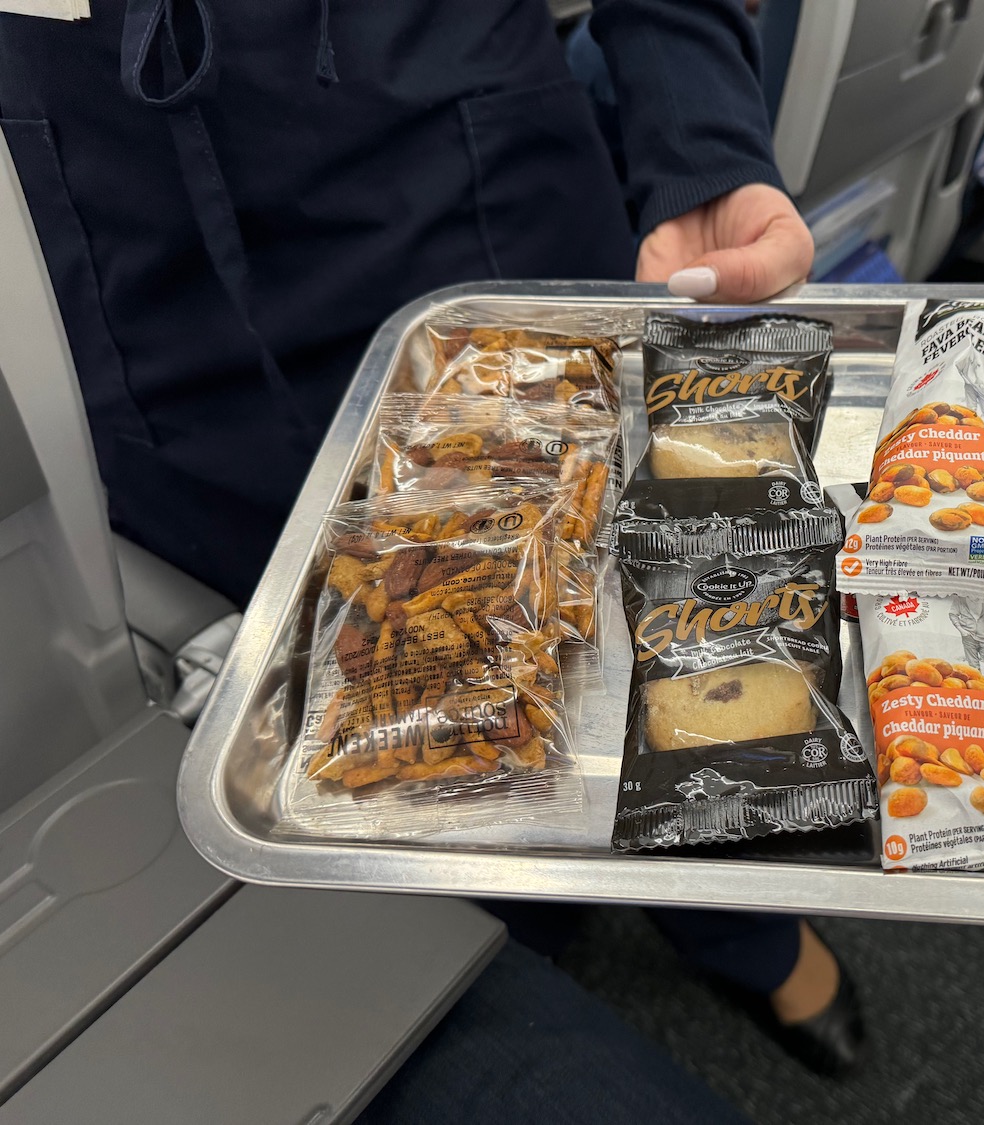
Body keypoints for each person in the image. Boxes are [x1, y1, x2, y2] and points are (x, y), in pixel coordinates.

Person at [0, 0, 857, 1077]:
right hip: (138, 287)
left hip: (465, 203)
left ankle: (737, 924)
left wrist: (702, 147)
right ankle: (508, 950)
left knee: (667, 647)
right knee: (401, 725)